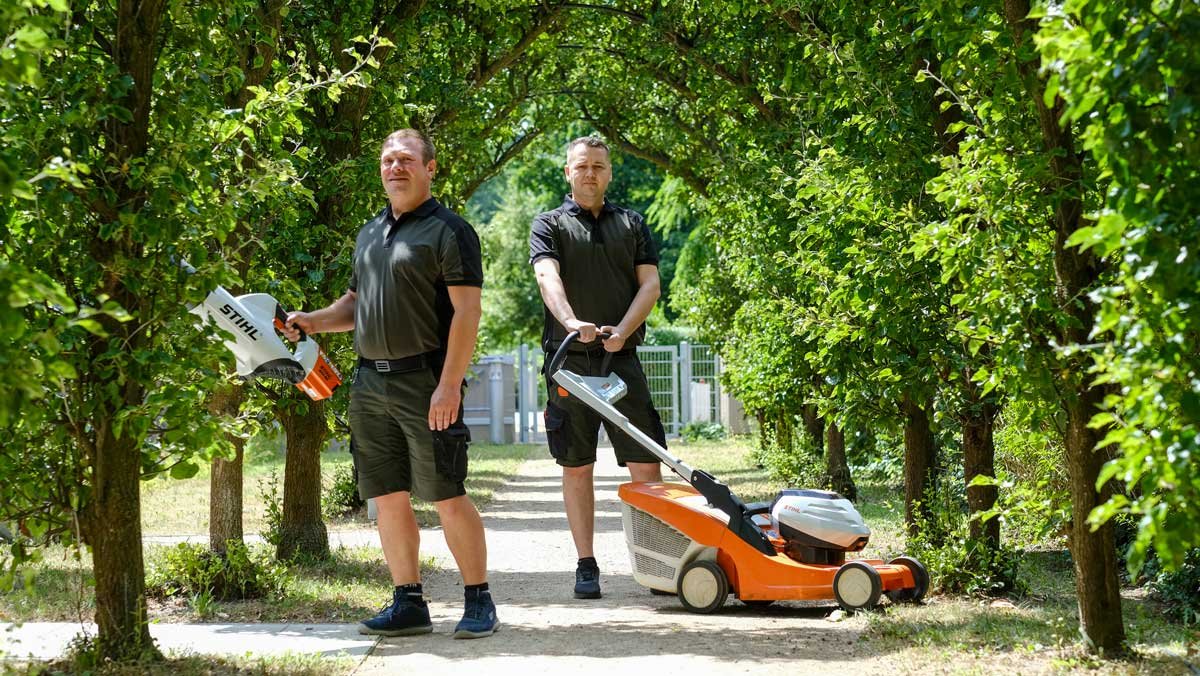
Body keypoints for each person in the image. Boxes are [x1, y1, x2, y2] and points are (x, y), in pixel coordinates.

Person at [284, 129, 497, 638]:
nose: (395, 168)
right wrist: (312, 320)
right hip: (368, 384)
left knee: (445, 491)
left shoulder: (450, 232)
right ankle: (409, 602)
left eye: (406, 160)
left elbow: (467, 313)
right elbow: (355, 305)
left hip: (425, 381)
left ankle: (478, 600)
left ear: (430, 168)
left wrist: (449, 386)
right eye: (387, 160)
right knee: (388, 495)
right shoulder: (369, 233)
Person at [529, 135, 666, 599]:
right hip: (569, 361)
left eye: (599, 166)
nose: (590, 173)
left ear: (610, 173)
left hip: (621, 360)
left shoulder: (632, 223)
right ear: (568, 172)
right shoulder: (548, 224)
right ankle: (586, 564)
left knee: (647, 465)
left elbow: (650, 285)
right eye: (582, 166)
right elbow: (547, 275)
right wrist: (571, 322)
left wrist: (623, 330)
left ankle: (658, 562)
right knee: (577, 465)